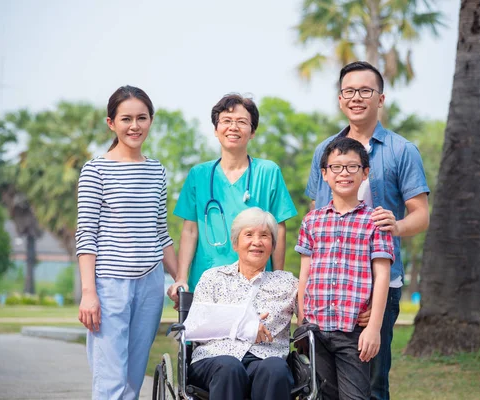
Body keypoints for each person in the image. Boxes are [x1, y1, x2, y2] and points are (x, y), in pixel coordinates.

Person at [305, 61, 430, 400]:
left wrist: (397, 225)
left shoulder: (402, 150)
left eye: (365, 91)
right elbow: (316, 213)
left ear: (381, 98)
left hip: (379, 284)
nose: (356, 97)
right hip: (331, 287)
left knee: (372, 381)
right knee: (324, 385)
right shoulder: (325, 151)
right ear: (340, 99)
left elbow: (421, 215)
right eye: (349, 91)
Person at [75, 85, 177, 400]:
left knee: (133, 379)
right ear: (111, 123)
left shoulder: (157, 171)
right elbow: (86, 235)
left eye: (142, 118)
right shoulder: (95, 170)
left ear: (150, 120)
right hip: (108, 286)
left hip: (150, 286)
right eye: (126, 119)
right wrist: (89, 293)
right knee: (110, 380)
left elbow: (161, 232)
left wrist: (179, 278)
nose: (134, 126)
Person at [168, 93, 297, 297]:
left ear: (252, 131)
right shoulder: (198, 175)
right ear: (216, 129)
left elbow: (279, 229)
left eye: (242, 122)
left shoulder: (268, 172)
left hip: (257, 282)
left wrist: (277, 277)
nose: (233, 127)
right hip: (206, 282)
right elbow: (190, 231)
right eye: (226, 121)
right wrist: (182, 277)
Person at [297, 137, 394, 399]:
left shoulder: (375, 221)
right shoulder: (311, 221)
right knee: (321, 394)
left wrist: (374, 327)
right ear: (324, 174)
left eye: (352, 167)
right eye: (336, 167)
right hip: (315, 330)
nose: (344, 174)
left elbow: (382, 275)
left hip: (353, 332)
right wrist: (302, 320)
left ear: (365, 173)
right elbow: (305, 273)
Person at [183, 207, 298, 400]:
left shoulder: (287, 283)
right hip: (214, 359)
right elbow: (196, 326)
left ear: (272, 245)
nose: (257, 242)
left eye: (264, 235)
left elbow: (314, 310)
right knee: (230, 367)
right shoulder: (213, 278)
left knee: (275, 368)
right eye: (249, 235)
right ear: (235, 243)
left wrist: (366, 311)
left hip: (264, 358)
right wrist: (245, 325)